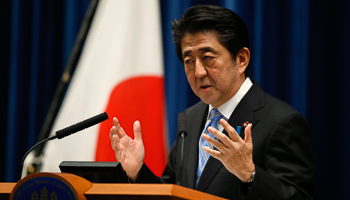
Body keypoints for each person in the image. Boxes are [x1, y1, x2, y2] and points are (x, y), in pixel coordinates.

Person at [109, 5, 316, 200]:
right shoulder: (190, 119)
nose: (198, 72)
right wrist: (137, 171)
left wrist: (250, 174)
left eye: (208, 57)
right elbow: (173, 191)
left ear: (241, 59)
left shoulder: (281, 121)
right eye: (189, 61)